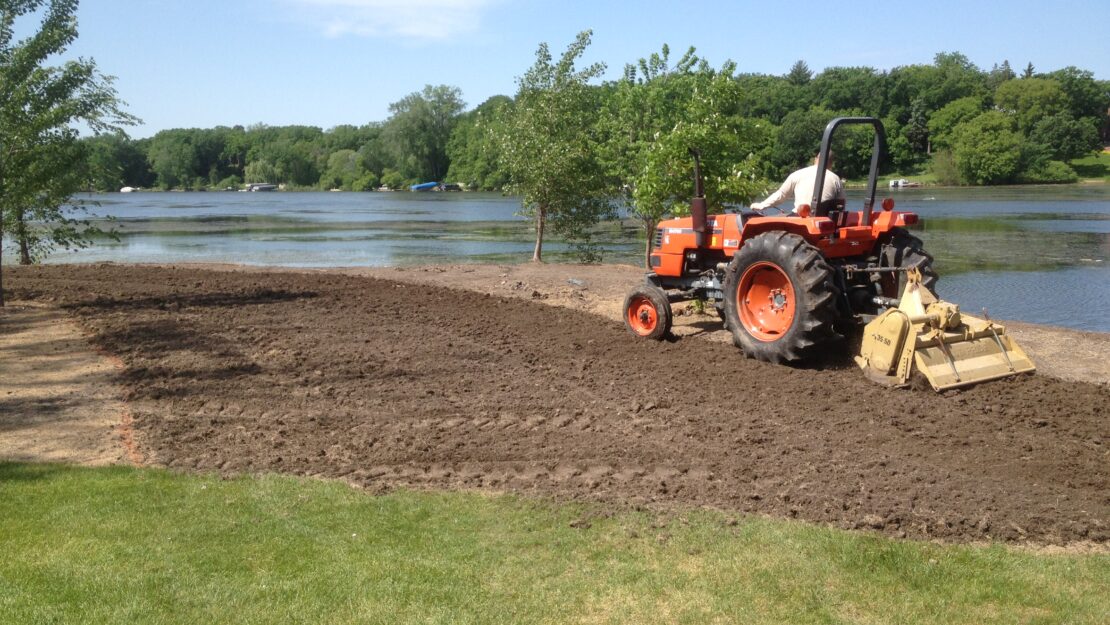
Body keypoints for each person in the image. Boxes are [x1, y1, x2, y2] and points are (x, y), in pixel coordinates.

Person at [750, 152, 845, 214]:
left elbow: (781, 195)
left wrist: (762, 205)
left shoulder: (797, 174)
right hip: (825, 219)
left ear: (816, 159)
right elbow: (841, 204)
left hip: (800, 217)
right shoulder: (835, 179)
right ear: (831, 163)